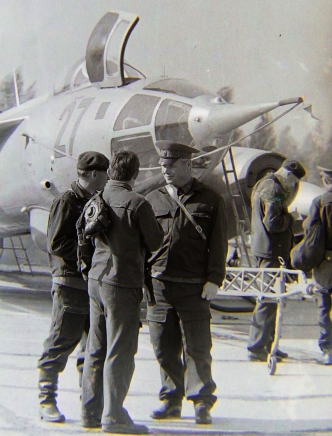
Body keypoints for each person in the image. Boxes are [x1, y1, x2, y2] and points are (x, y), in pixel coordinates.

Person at [145, 141, 228, 425]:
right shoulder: (152, 199)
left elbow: (218, 245)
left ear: (187, 164)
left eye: (170, 165)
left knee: (198, 346)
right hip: (159, 285)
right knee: (163, 345)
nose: (165, 169)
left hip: (194, 286)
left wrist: (214, 279)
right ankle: (170, 399)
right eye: (162, 165)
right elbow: (143, 245)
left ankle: (201, 401)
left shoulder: (211, 200)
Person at [81, 150, 163, 434]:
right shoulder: (137, 203)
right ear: (134, 174)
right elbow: (155, 242)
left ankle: (90, 411)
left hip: (96, 280)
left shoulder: (97, 198)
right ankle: (114, 416)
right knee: (120, 349)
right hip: (121, 283)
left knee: (96, 347)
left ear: (112, 171)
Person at [37, 151, 110, 423]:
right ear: (93, 175)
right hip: (70, 284)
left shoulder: (97, 200)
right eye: (104, 173)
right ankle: (47, 400)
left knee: (91, 347)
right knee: (60, 343)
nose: (107, 178)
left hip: (92, 285)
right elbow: (55, 244)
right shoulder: (66, 202)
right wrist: (90, 253)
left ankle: (88, 402)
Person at [247, 158, 306, 362]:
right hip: (271, 252)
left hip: (266, 249)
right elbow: (273, 222)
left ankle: (268, 343)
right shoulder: (275, 188)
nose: (292, 187)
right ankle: (256, 347)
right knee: (267, 299)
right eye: (294, 182)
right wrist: (293, 218)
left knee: (270, 298)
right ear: (289, 176)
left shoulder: (265, 183)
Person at [305, 166, 332, 365]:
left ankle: (328, 349)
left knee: (323, 304)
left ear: (325, 180)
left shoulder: (319, 202)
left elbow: (310, 232)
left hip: (326, 263)